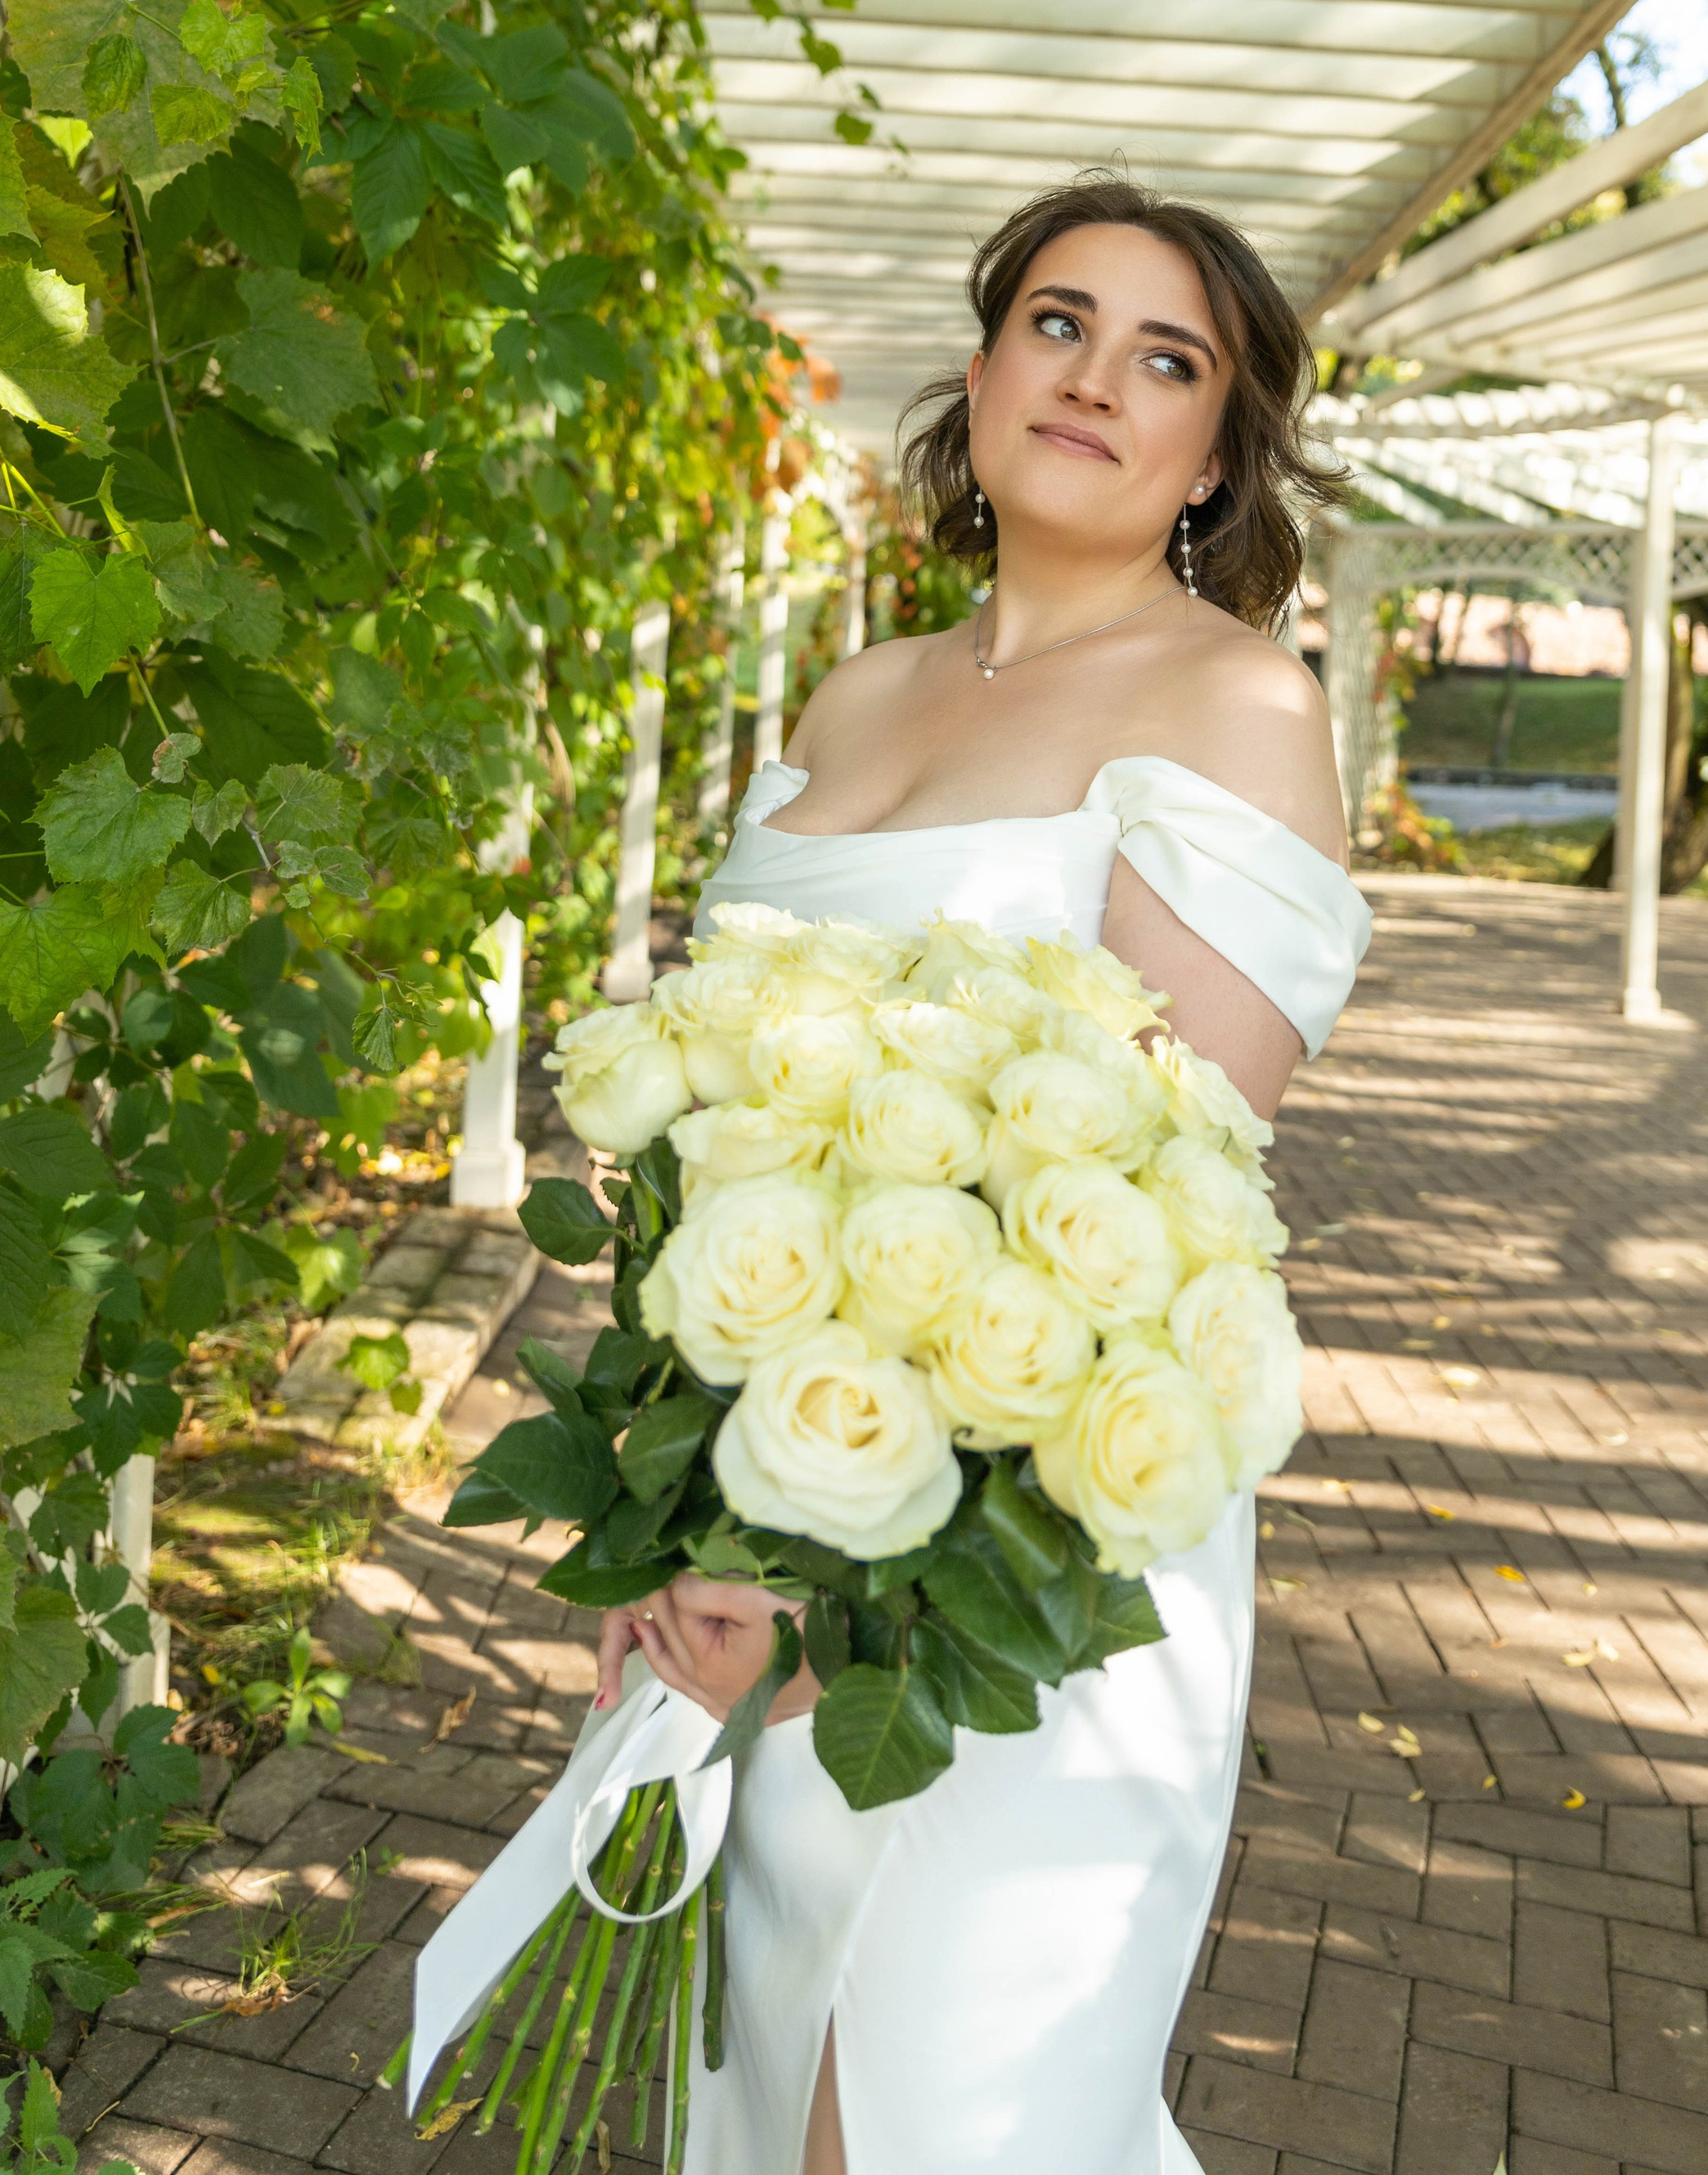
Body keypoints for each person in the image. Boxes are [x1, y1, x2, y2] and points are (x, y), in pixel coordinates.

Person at [595, 171, 1370, 2174]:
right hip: (776, 1475)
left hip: (1029, 1547)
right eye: (1057, 319)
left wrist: (807, 1569)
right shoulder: (858, 694)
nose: (1096, 376)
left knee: (950, 2116)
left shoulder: (1237, 706)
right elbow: (720, 1147)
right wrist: (684, 1511)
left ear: (1218, 449)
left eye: (1165, 358)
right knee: (777, 2094)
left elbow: (1152, 1193)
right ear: (979, 360)